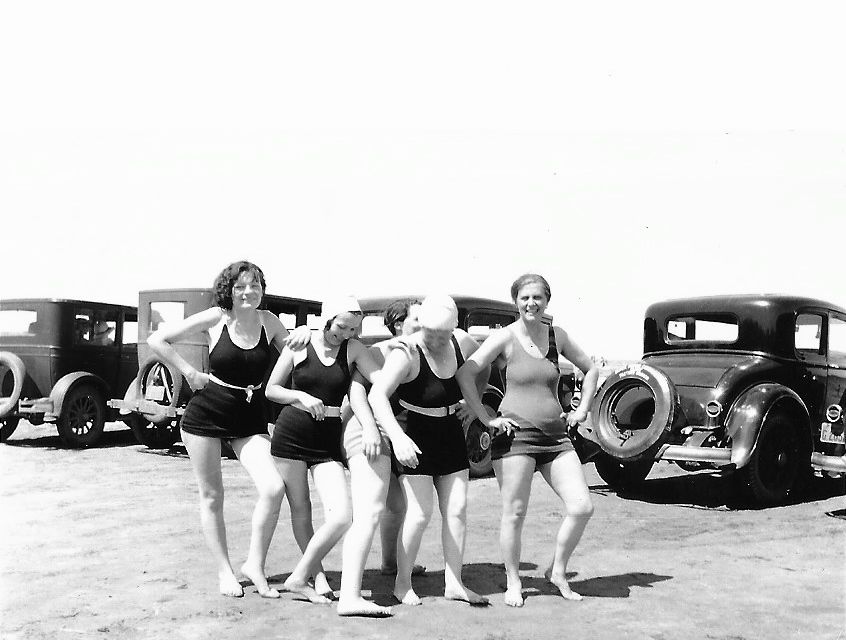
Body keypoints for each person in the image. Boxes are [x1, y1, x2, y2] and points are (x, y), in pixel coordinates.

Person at [147, 260, 311, 598]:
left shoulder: (270, 322)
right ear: (229, 291)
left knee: (273, 487)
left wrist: (308, 333)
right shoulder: (217, 317)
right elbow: (157, 339)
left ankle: (254, 564)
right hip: (206, 415)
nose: (248, 292)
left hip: (249, 417)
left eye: (254, 286)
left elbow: (299, 356)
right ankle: (225, 572)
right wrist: (189, 373)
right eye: (240, 287)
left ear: (262, 289)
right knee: (212, 496)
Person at [456, 273, 598, 607]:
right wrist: (485, 416)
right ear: (516, 302)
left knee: (582, 506)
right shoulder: (505, 337)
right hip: (514, 436)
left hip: (556, 437)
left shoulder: (557, 336)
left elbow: (591, 369)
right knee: (515, 512)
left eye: (537, 297)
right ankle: (513, 581)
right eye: (525, 298)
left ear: (547, 300)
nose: (531, 303)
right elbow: (467, 373)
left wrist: (582, 410)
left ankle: (557, 572)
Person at [369, 294, 490, 607]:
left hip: (450, 432)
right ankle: (402, 583)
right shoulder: (407, 351)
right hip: (414, 434)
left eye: (442, 334)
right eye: (430, 333)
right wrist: (397, 438)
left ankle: (455, 582)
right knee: (420, 513)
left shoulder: (462, 342)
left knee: (457, 509)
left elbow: (483, 367)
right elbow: (377, 396)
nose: (436, 340)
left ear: (453, 328)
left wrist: (473, 404)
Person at [267, 296, 380, 605]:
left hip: (327, 441)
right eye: (342, 326)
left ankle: (298, 577)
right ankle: (315, 577)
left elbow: (379, 379)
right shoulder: (300, 343)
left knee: (341, 516)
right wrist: (300, 397)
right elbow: (272, 390)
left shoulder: (354, 349)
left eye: (353, 329)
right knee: (301, 511)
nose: (346, 334)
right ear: (327, 319)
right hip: (290, 436)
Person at [336, 298, 425, 617]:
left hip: (394, 433)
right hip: (367, 430)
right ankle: (350, 596)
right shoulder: (379, 352)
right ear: (399, 323)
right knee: (370, 510)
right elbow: (357, 393)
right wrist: (372, 429)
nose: (426, 324)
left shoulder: (424, 352)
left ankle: (390, 563)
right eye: (418, 319)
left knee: (396, 505)